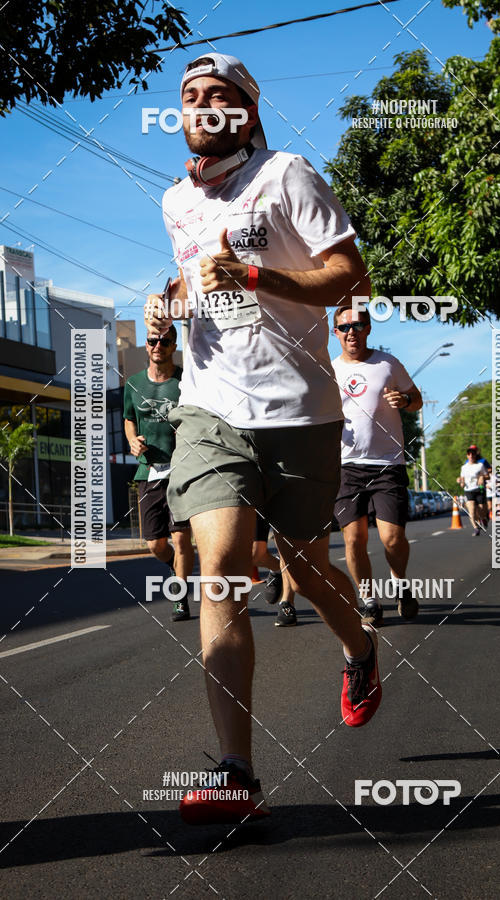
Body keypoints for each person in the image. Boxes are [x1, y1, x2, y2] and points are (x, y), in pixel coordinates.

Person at [144, 52, 382, 826]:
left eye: (220, 96)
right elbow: (192, 279)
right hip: (210, 410)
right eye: (189, 97)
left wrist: (257, 279)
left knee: (306, 569)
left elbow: (351, 277)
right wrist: (167, 306)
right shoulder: (177, 198)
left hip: (300, 410)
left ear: (246, 111)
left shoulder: (289, 176)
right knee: (218, 568)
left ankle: (360, 648)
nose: (202, 106)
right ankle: (238, 774)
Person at [331, 306, 422, 627]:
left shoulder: (387, 363)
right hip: (346, 467)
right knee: (354, 540)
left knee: (392, 539)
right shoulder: (329, 371)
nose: (351, 332)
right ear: (335, 333)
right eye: (344, 327)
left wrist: (406, 401)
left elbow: (417, 397)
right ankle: (368, 599)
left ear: (368, 329)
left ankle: (400, 582)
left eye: (358, 325)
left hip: (387, 464)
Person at [123, 327, 194, 621]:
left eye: (165, 341)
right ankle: (177, 566)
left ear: (173, 345)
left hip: (182, 469)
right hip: (149, 471)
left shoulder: (185, 380)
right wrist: (132, 440)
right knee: (156, 544)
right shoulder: (134, 383)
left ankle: (179, 596)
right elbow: (129, 419)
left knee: (181, 539)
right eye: (153, 340)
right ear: (146, 345)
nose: (158, 345)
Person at [252, 517, 297, 626]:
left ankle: (287, 603)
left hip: (285, 500)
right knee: (255, 554)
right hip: (255, 501)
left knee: (285, 546)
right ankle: (278, 569)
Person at [458, 446, 489, 535]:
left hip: (479, 489)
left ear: (475, 455)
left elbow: (488, 475)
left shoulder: (480, 465)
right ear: (467, 456)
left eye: (472, 454)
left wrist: (482, 477)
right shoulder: (464, 467)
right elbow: (462, 478)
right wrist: (460, 481)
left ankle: (483, 518)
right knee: (471, 511)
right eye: (469, 454)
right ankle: (476, 528)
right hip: (468, 490)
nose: (471, 455)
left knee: (481, 510)